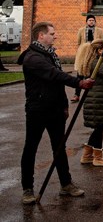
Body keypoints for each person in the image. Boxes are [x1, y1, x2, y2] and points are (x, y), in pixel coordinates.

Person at [19, 22, 95, 205]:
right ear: (41, 36)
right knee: (31, 148)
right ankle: (27, 189)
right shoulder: (32, 58)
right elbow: (54, 75)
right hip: (37, 110)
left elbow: (57, 84)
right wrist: (79, 83)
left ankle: (66, 184)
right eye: (52, 33)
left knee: (60, 147)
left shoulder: (51, 55)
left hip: (55, 110)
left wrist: (64, 106)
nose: (56, 36)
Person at [72, 14, 103, 103]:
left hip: (94, 54)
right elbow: (79, 42)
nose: (91, 22)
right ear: (86, 21)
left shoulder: (99, 31)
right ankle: (77, 94)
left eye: (93, 20)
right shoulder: (81, 30)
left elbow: (102, 41)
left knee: (92, 74)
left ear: (95, 21)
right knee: (80, 74)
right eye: (89, 20)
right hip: (83, 55)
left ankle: (91, 96)